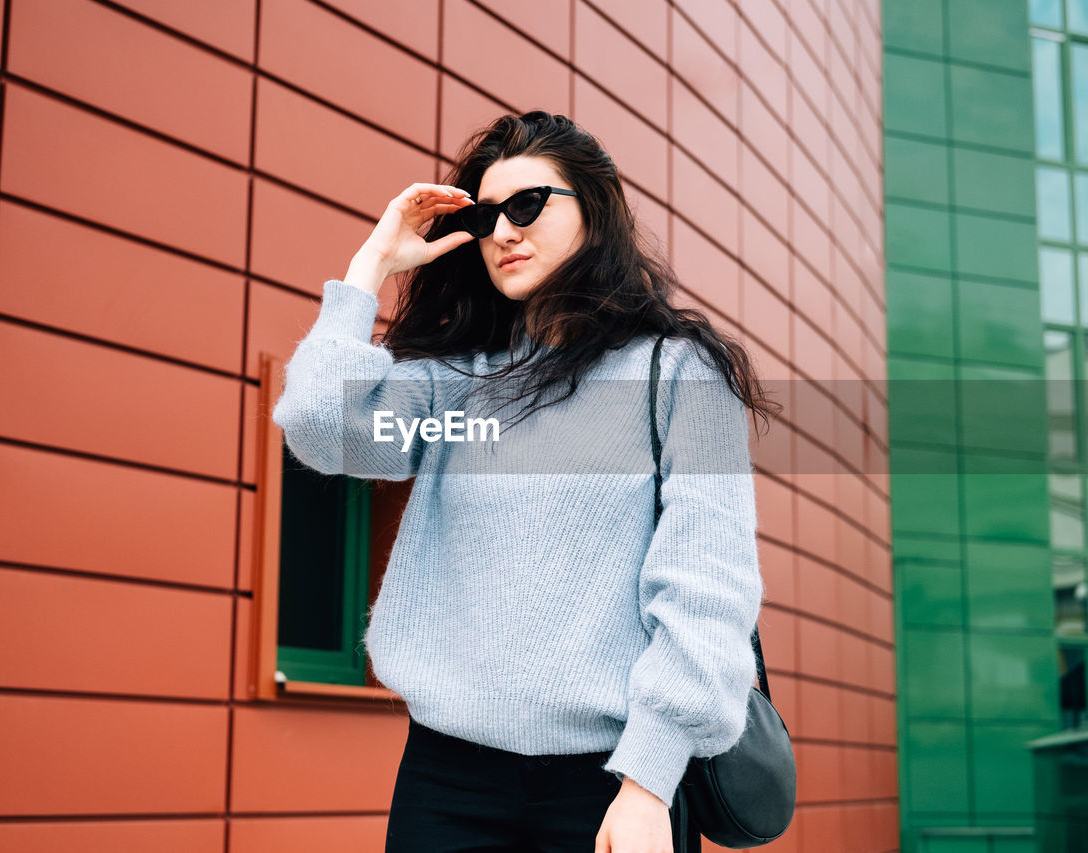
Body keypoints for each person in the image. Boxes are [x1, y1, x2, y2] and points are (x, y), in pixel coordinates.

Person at [272, 111, 778, 853]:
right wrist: (371, 265)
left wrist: (647, 782)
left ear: (596, 210)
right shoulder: (462, 389)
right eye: (485, 214)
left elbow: (707, 591)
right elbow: (323, 428)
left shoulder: (673, 375)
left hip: (610, 783)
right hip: (446, 782)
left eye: (529, 205)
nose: (503, 230)